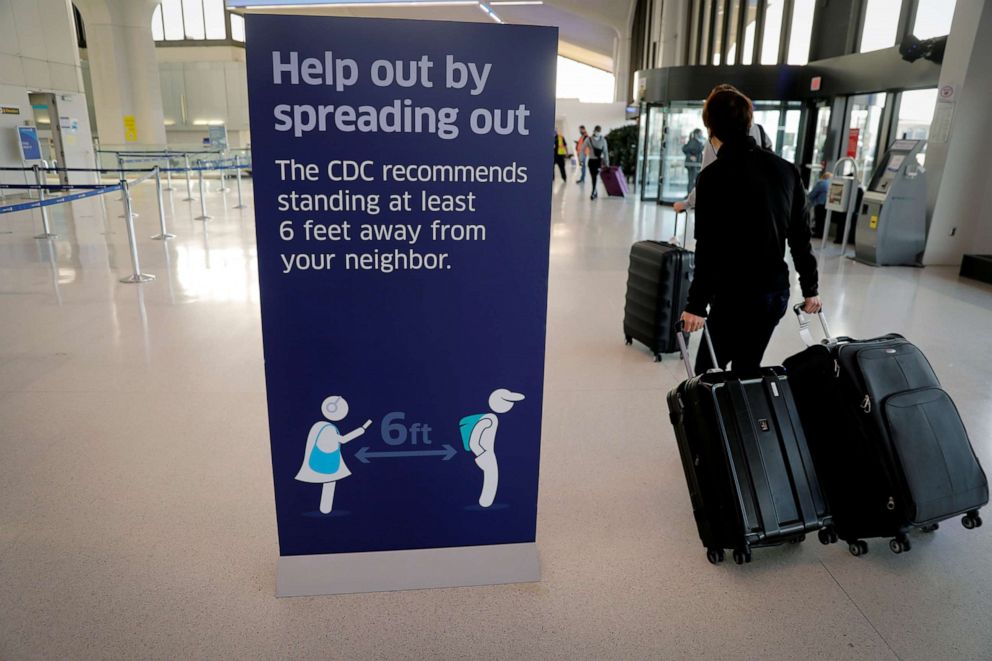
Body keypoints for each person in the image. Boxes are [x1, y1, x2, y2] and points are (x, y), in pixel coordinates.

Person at [679, 86, 821, 375]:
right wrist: (810, 289)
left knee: (709, 372)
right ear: (748, 123)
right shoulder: (786, 170)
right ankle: (748, 418)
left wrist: (696, 305)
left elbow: (708, 246)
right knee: (748, 367)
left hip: (733, 296)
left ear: (711, 128)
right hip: (773, 294)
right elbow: (800, 237)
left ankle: (718, 420)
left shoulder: (712, 177)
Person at [673, 85, 774, 214]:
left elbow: (705, 182)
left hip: (727, 209)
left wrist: (687, 203)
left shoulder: (716, 138)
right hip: (760, 207)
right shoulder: (760, 131)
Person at [295, 395, 372, 514]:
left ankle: (325, 508)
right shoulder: (328, 428)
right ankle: (325, 509)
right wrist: (361, 429)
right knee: (329, 482)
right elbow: (343, 440)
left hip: (323, 459)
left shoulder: (319, 425)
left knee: (329, 482)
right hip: (327, 461)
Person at [459, 388, 525, 508]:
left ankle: (485, 502)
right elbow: (474, 440)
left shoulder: (492, 418)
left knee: (492, 476)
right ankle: (485, 502)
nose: (510, 405)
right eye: (508, 402)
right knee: (491, 476)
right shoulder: (489, 419)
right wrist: (481, 453)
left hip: (487, 453)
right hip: (486, 454)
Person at [581, 125, 610, 199]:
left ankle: (593, 191)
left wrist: (607, 163)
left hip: (598, 162)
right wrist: (581, 159)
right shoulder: (588, 139)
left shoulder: (603, 140)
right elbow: (582, 149)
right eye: (596, 131)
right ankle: (595, 191)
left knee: (595, 176)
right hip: (591, 161)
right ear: (594, 131)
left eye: (599, 131)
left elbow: (605, 152)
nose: (597, 133)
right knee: (593, 176)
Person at [807, 170, 832, 238]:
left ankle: (818, 234)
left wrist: (807, 197)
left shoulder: (821, 183)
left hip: (820, 204)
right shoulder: (831, 184)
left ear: (824, 177)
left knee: (819, 220)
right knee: (824, 220)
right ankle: (823, 234)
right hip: (829, 205)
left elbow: (812, 194)